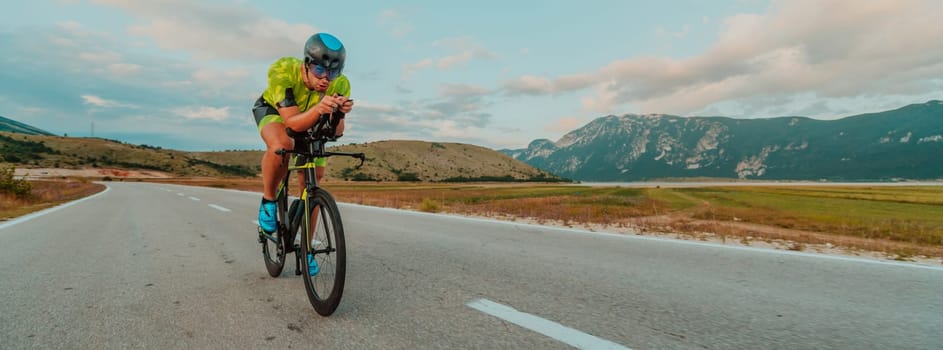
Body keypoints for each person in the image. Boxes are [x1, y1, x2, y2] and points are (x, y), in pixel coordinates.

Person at [252, 32, 353, 237]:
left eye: (332, 74)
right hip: (276, 112)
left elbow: (337, 132)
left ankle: (307, 249)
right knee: (282, 145)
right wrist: (319, 109)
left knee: (314, 178)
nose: (326, 79)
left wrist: (340, 114)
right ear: (307, 64)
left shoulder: (342, 84)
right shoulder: (283, 70)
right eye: (319, 70)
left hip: (311, 120)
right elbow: (291, 123)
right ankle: (269, 201)